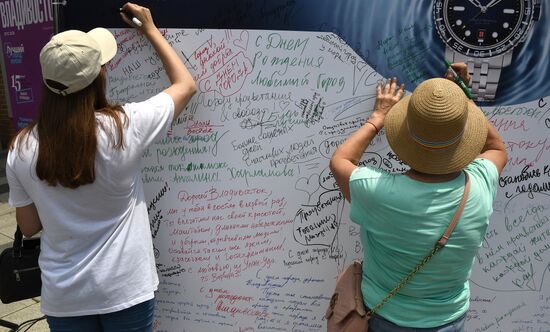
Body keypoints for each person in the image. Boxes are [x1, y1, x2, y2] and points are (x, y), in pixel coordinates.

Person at [5, 2, 196, 331]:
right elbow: (186, 86)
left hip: (65, 295)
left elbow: (30, 225)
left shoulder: (21, 147)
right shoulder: (124, 126)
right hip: (125, 288)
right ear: (98, 77)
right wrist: (150, 30)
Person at [330, 63, 507, 331]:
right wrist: (460, 101)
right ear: (465, 136)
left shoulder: (377, 192)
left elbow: (340, 160)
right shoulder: (481, 183)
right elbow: (495, 146)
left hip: (384, 317)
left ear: (404, 135)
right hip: (449, 321)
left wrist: (378, 116)